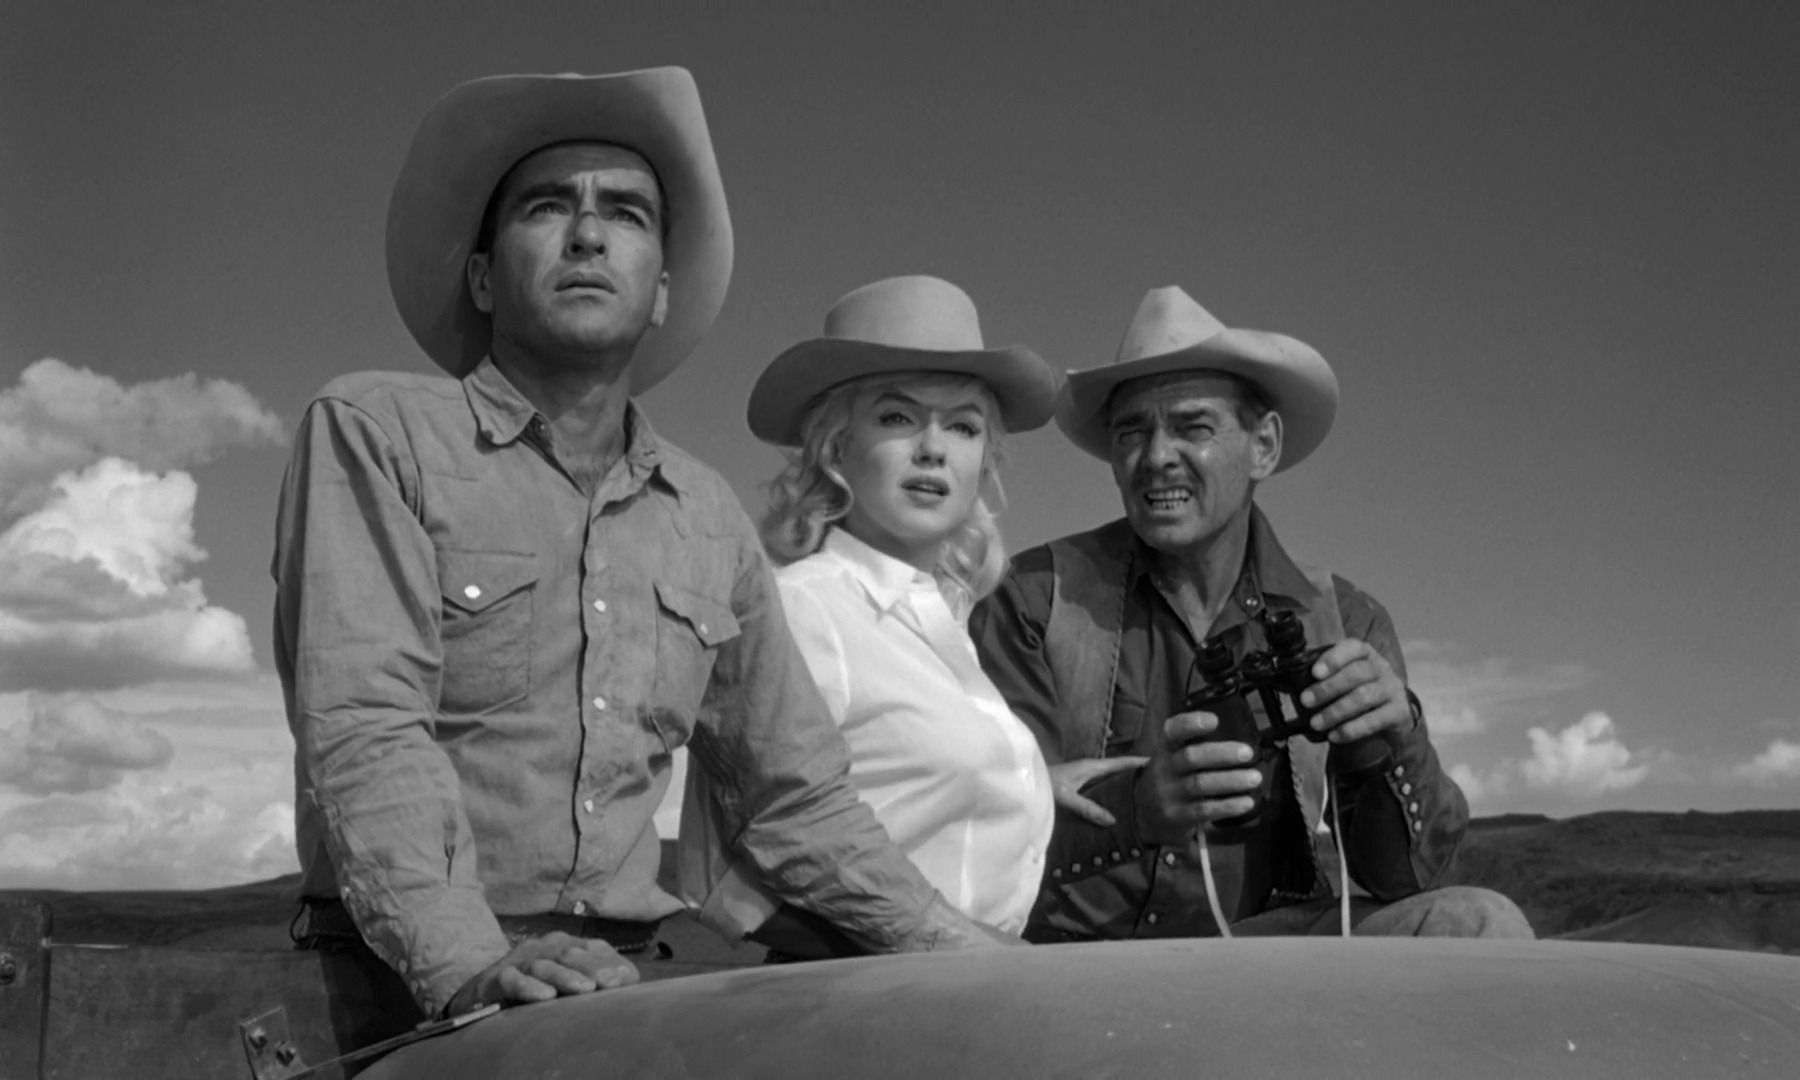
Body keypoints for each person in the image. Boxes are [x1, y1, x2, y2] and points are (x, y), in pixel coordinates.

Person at [271, 69, 1010, 1023]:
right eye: (547, 207)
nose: (588, 234)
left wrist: (968, 949)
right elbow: (365, 725)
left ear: (659, 292)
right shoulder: (379, 432)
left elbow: (794, 799)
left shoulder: (706, 514)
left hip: (617, 988)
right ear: (484, 277)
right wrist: (471, 967)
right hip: (398, 984)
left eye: (625, 213)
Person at [969, 286, 1532, 941]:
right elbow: (983, 834)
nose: (1156, 457)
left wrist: (1393, 738)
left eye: (1193, 427)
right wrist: (1137, 811)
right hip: (1076, 960)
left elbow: (1403, 877)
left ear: (1263, 445)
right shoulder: (1035, 597)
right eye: (1131, 432)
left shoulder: (1345, 619)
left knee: (1477, 922)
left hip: (1268, 950)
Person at [678, 276, 1140, 956]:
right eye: (898, 418)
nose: (933, 447)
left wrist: (1027, 785)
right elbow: (721, 874)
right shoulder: (806, 608)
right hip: (861, 1005)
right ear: (836, 448)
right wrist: (949, 949)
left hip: (970, 996)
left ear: (983, 461)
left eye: (963, 426)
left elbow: (902, 786)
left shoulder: (944, 625)